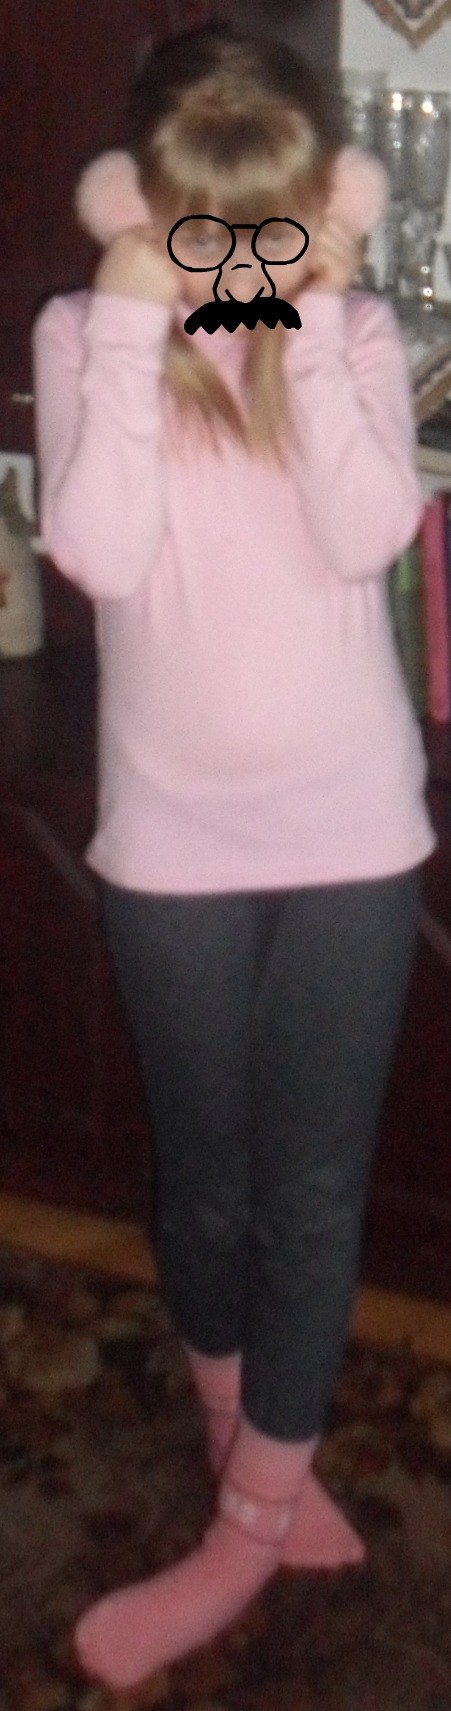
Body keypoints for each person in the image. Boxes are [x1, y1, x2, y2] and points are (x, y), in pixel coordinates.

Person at [32, 23, 437, 1692]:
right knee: (205, 1184)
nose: (236, 263)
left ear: (321, 201)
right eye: (202, 227)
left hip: (353, 835)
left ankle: (246, 1527)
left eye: (271, 224)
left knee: (313, 1189)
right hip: (171, 842)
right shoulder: (88, 333)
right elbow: (100, 548)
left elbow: (365, 531)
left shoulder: (352, 331)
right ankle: (250, 1455)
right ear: (141, 204)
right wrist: (140, 324)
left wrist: (317, 317)